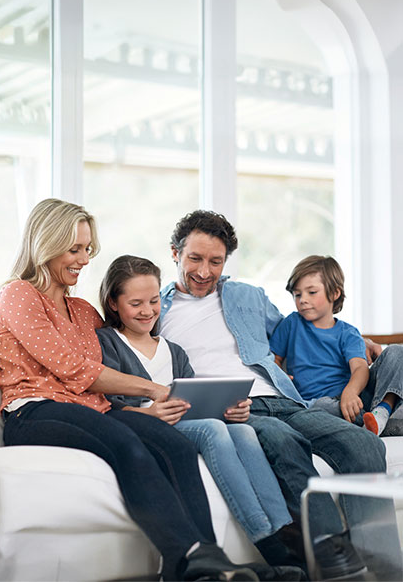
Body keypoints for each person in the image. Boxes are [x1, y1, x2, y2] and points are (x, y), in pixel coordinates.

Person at [0, 198, 274, 582]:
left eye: (87, 249)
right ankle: (190, 554)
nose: (83, 259)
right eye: (74, 249)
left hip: (91, 412)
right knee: (125, 444)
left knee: (174, 444)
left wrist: (153, 408)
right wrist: (154, 389)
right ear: (46, 243)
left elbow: (107, 378)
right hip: (35, 410)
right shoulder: (18, 294)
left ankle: (209, 566)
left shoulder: (84, 312)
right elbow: (75, 369)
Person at [158, 209, 403, 581]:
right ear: (175, 252)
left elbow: (297, 328)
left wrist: (360, 340)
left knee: (364, 444)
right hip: (236, 409)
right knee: (284, 443)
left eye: (216, 261)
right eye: (195, 258)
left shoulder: (246, 295)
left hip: (285, 398)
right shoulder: (154, 310)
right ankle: (334, 561)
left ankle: (383, 567)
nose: (205, 271)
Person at [96, 254, 306, 576]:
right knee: (212, 430)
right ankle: (267, 540)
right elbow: (108, 402)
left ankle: (283, 530)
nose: (148, 311)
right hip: (152, 426)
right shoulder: (108, 342)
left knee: (245, 430)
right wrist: (150, 412)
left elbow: (196, 400)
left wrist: (231, 409)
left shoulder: (174, 350)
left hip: (189, 420)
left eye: (154, 301)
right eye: (136, 303)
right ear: (113, 303)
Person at [269, 255, 403, 436]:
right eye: (297, 294)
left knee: (396, 351)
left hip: (356, 397)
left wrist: (350, 392)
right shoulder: (291, 324)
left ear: (334, 293)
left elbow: (360, 368)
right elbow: (273, 359)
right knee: (322, 407)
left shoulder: (348, 333)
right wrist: (280, 376)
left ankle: (382, 411)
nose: (302, 299)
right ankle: (380, 423)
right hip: (322, 404)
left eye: (312, 292)